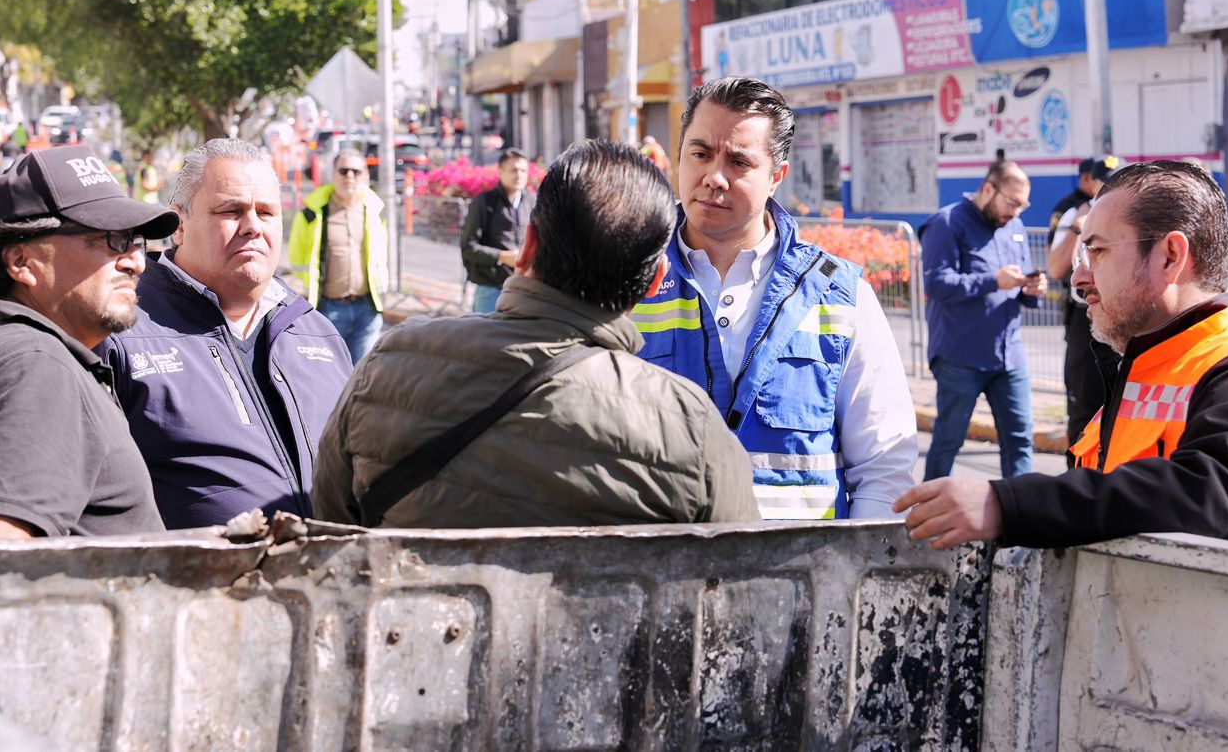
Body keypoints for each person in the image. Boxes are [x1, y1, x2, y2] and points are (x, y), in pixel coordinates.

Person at [312, 140, 760, 528]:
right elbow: (741, 574)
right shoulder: (690, 429)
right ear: (654, 280)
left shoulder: (388, 366)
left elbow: (330, 528)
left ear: (527, 246)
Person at [894, 161, 1228, 554]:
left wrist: (1008, 505)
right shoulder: (1150, 361)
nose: (1079, 277)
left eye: (1098, 251)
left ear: (1170, 256)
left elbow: (1211, 492)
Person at [632, 77, 918, 520]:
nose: (714, 177)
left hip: (801, 563)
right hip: (660, 560)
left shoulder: (840, 294)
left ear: (776, 177)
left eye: (739, 162)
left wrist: (853, 560)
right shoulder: (626, 281)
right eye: (700, 154)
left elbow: (884, 467)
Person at [0, 145, 177, 539]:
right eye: (110, 239)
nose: (135, 261)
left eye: (134, 241)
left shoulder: (3, 353)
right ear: (21, 262)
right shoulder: (35, 366)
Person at [101, 138, 353, 530]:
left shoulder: (317, 333)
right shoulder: (121, 330)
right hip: (189, 568)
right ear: (179, 225)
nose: (253, 227)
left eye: (266, 212)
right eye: (231, 211)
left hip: (324, 565)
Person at [920, 160, 1045, 481]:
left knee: (1019, 440)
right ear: (988, 189)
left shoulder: (1014, 227)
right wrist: (993, 281)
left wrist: (1033, 289)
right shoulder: (947, 223)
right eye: (1012, 202)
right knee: (949, 440)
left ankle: (1019, 509)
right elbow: (937, 284)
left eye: (1022, 205)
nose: (1016, 212)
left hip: (1009, 355)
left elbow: (1020, 285)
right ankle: (930, 507)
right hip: (960, 356)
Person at [1045, 155, 1123, 449]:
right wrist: (1079, 228)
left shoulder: (1132, 213)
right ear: (1091, 183)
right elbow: (1055, 269)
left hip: (1124, 319)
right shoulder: (1074, 214)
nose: (1111, 188)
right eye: (1105, 181)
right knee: (1084, 413)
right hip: (1086, 320)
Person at [285, 148, 388, 363]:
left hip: (367, 309)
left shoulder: (375, 210)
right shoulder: (313, 212)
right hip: (330, 309)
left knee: (363, 375)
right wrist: (311, 285)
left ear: (365, 175)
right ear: (333, 175)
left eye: (356, 171)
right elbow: (297, 256)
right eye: (343, 170)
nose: (349, 176)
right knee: (331, 374)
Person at [460, 148, 533, 314]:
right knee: (484, 330)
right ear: (500, 172)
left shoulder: (531, 202)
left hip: (523, 287)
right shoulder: (484, 201)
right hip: (491, 286)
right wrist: (502, 256)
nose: (519, 175)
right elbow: (468, 247)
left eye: (523, 170)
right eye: (513, 170)